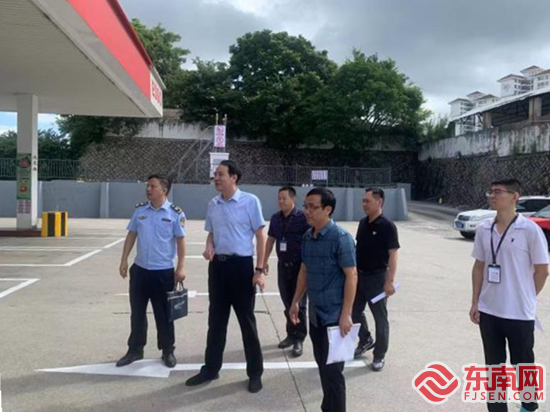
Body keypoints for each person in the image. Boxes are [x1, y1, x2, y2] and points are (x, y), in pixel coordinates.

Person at [185, 160, 267, 393]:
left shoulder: (250, 201)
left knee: (247, 323)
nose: (216, 178)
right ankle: (211, 368)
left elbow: (261, 236)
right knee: (216, 321)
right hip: (218, 269)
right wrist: (209, 246)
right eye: (215, 175)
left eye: (221, 174)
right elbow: (211, 233)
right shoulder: (213, 204)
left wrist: (259, 270)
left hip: (241, 268)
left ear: (234, 177)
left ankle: (255, 373)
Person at [470, 179, 549, 412]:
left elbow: (542, 270)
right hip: (489, 310)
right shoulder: (484, 229)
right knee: (493, 366)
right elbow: (479, 267)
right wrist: (475, 302)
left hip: (519, 313)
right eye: (490, 192)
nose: (492, 196)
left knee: (523, 364)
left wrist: (526, 295)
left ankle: (528, 406)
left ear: (515, 197)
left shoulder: (529, 230)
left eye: (498, 192)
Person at [290, 187, 357, 412]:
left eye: (312, 207)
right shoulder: (308, 237)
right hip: (316, 315)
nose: (307, 211)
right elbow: (304, 270)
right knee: (322, 366)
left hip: (335, 318)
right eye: (305, 206)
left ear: (327, 209)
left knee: (333, 374)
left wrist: (346, 314)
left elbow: (351, 276)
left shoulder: (341, 238)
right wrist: (296, 301)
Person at [116, 174, 186, 368]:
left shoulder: (175, 213)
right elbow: (132, 234)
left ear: (164, 190)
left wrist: (180, 267)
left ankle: (167, 350)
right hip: (140, 271)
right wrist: (124, 259)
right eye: (147, 186)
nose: (148, 189)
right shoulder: (140, 211)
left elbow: (181, 242)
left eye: (152, 186)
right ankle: (135, 349)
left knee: (164, 315)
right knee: (137, 313)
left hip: (163, 272)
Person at [352, 187, 400, 372]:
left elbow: (393, 254)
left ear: (379, 202)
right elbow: (358, 249)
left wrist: (390, 281)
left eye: (367, 201)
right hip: (360, 277)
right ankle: (365, 339)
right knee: (354, 312)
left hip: (378, 280)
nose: (364, 204)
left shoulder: (387, 226)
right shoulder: (363, 223)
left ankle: (379, 354)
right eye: (363, 201)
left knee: (380, 318)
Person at [263, 186, 309, 357]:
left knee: (300, 304)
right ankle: (291, 334)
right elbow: (270, 240)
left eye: (284, 198)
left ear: (293, 199)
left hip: (299, 267)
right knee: (287, 303)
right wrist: (264, 261)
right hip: (283, 266)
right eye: (279, 198)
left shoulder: (302, 218)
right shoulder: (275, 218)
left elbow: (310, 239)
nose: (281, 201)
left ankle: (299, 339)